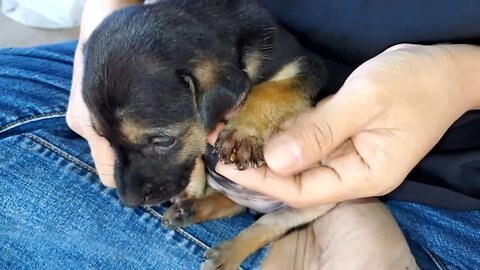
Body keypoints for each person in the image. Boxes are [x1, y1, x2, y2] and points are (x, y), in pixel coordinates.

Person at [1, 0, 479, 269]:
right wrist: (103, 32)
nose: (128, 193)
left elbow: (298, 75)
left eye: (159, 140)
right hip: (175, 41)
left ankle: (329, 232)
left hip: (433, 173)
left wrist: (459, 78)